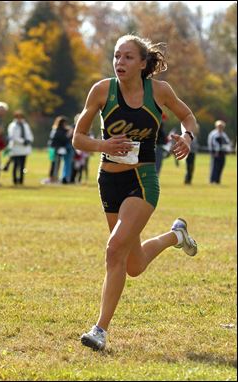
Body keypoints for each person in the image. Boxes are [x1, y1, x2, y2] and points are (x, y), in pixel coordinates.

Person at [72, 34, 198, 351]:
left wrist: (187, 137)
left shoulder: (160, 91)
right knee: (133, 264)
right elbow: (78, 139)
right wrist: (103, 145)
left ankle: (99, 330)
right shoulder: (101, 91)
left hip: (142, 180)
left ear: (143, 64)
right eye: (116, 56)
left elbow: (187, 116)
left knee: (114, 249)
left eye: (128, 57)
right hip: (108, 180)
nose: (120, 63)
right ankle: (176, 236)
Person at [7, 110, 34, 185]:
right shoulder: (13, 126)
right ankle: (15, 180)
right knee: (16, 165)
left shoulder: (25, 125)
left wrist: (29, 140)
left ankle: (21, 180)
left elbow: (29, 134)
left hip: (24, 149)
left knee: (22, 165)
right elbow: (13, 137)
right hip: (16, 148)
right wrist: (22, 141)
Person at [207, 120, 231, 184]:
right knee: (214, 167)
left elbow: (227, 143)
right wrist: (212, 152)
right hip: (215, 153)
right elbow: (210, 143)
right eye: (219, 126)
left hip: (222, 153)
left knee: (221, 166)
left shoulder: (224, 134)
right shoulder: (213, 134)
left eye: (222, 126)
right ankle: (212, 180)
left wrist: (228, 150)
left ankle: (217, 180)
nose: (221, 127)